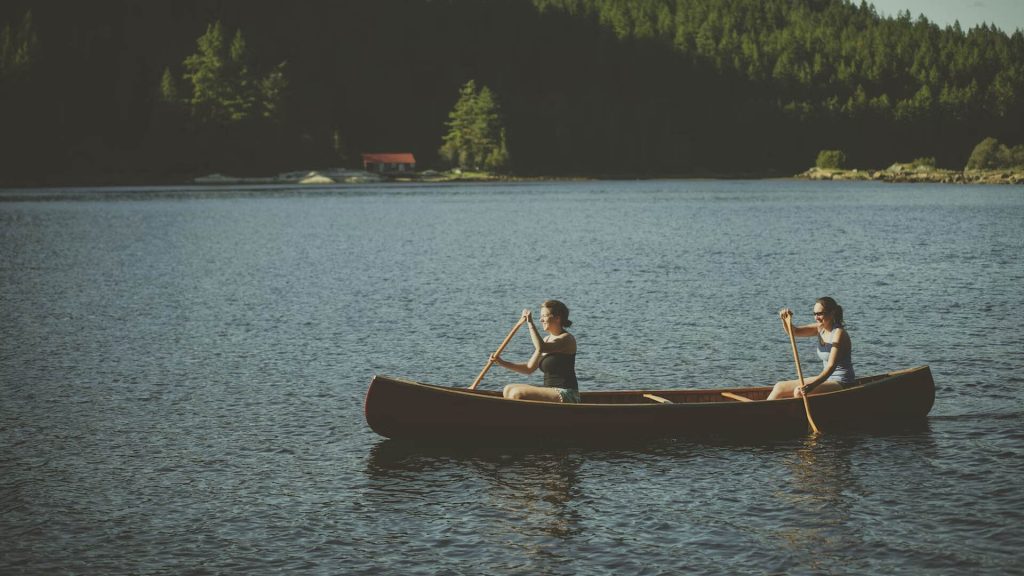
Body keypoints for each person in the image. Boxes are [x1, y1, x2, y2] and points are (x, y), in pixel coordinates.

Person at [491, 299, 580, 403]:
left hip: (566, 394)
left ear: (557, 318)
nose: (541, 320)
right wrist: (502, 362)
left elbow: (541, 347)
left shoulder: (567, 339)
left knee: (517, 393)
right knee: (508, 389)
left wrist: (530, 323)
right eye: (540, 316)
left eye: (544, 316)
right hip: (550, 391)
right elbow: (529, 368)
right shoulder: (546, 340)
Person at [768, 296, 856, 400]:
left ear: (832, 313)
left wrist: (812, 385)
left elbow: (831, 366)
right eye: (814, 314)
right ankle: (763, 413)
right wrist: (785, 320)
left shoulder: (839, 333)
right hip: (827, 380)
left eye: (820, 313)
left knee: (799, 392)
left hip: (842, 382)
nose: (816, 317)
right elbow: (794, 332)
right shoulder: (819, 328)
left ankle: (796, 416)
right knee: (779, 386)